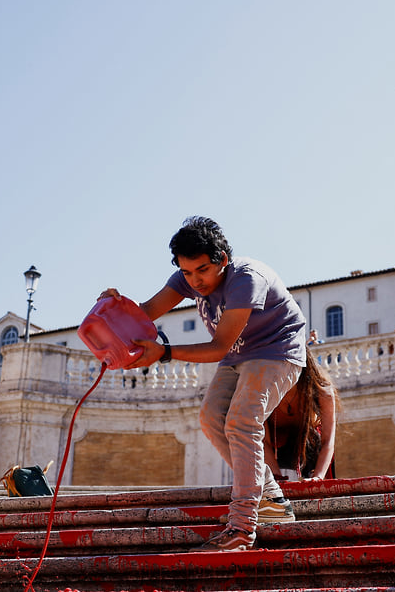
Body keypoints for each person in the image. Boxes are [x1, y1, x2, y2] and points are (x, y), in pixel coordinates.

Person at [101, 217, 306, 552]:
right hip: (239, 355)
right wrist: (114, 309)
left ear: (222, 259)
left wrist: (164, 353)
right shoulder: (187, 279)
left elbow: (218, 347)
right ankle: (272, 501)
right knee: (211, 419)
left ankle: (242, 526)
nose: (195, 281)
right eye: (186, 273)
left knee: (242, 421)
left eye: (202, 270)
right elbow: (146, 313)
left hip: (276, 350)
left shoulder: (246, 279)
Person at [264, 353, 338, 481]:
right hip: (273, 450)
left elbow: (328, 442)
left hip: (311, 451)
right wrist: (276, 478)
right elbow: (262, 442)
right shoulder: (265, 392)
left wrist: (318, 477)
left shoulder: (322, 392)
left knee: (315, 438)